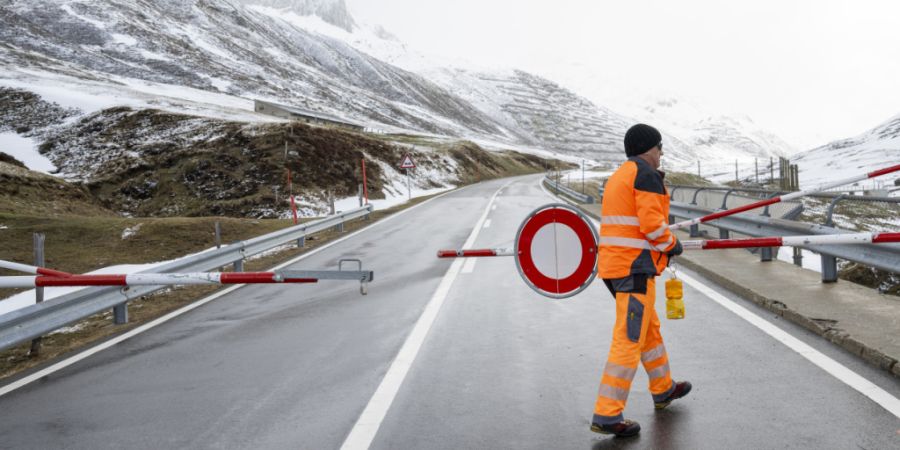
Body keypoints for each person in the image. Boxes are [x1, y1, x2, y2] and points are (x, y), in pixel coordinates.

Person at [590, 123, 691, 438]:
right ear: (651, 148)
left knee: (648, 330)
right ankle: (608, 414)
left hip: (615, 267)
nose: (661, 154)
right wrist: (672, 245)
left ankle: (663, 388)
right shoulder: (646, 175)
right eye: (660, 148)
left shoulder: (621, 174)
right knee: (629, 338)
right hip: (634, 269)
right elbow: (652, 225)